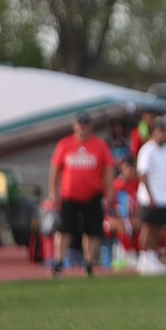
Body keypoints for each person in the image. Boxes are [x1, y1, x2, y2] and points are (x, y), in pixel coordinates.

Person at [48, 111, 115, 278]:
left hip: (93, 194)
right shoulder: (65, 144)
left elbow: (108, 170)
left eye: (86, 125)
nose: (83, 128)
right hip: (69, 195)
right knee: (64, 229)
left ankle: (89, 263)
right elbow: (55, 171)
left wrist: (109, 192)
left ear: (90, 126)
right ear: (75, 126)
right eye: (80, 124)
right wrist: (53, 193)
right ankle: (59, 262)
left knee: (91, 231)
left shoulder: (99, 145)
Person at [135, 118, 166, 276]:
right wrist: (150, 195)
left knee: (158, 228)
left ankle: (152, 256)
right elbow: (143, 173)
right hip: (150, 195)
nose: (163, 135)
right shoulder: (147, 149)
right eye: (160, 131)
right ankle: (144, 259)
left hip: (164, 195)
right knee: (148, 227)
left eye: (165, 131)